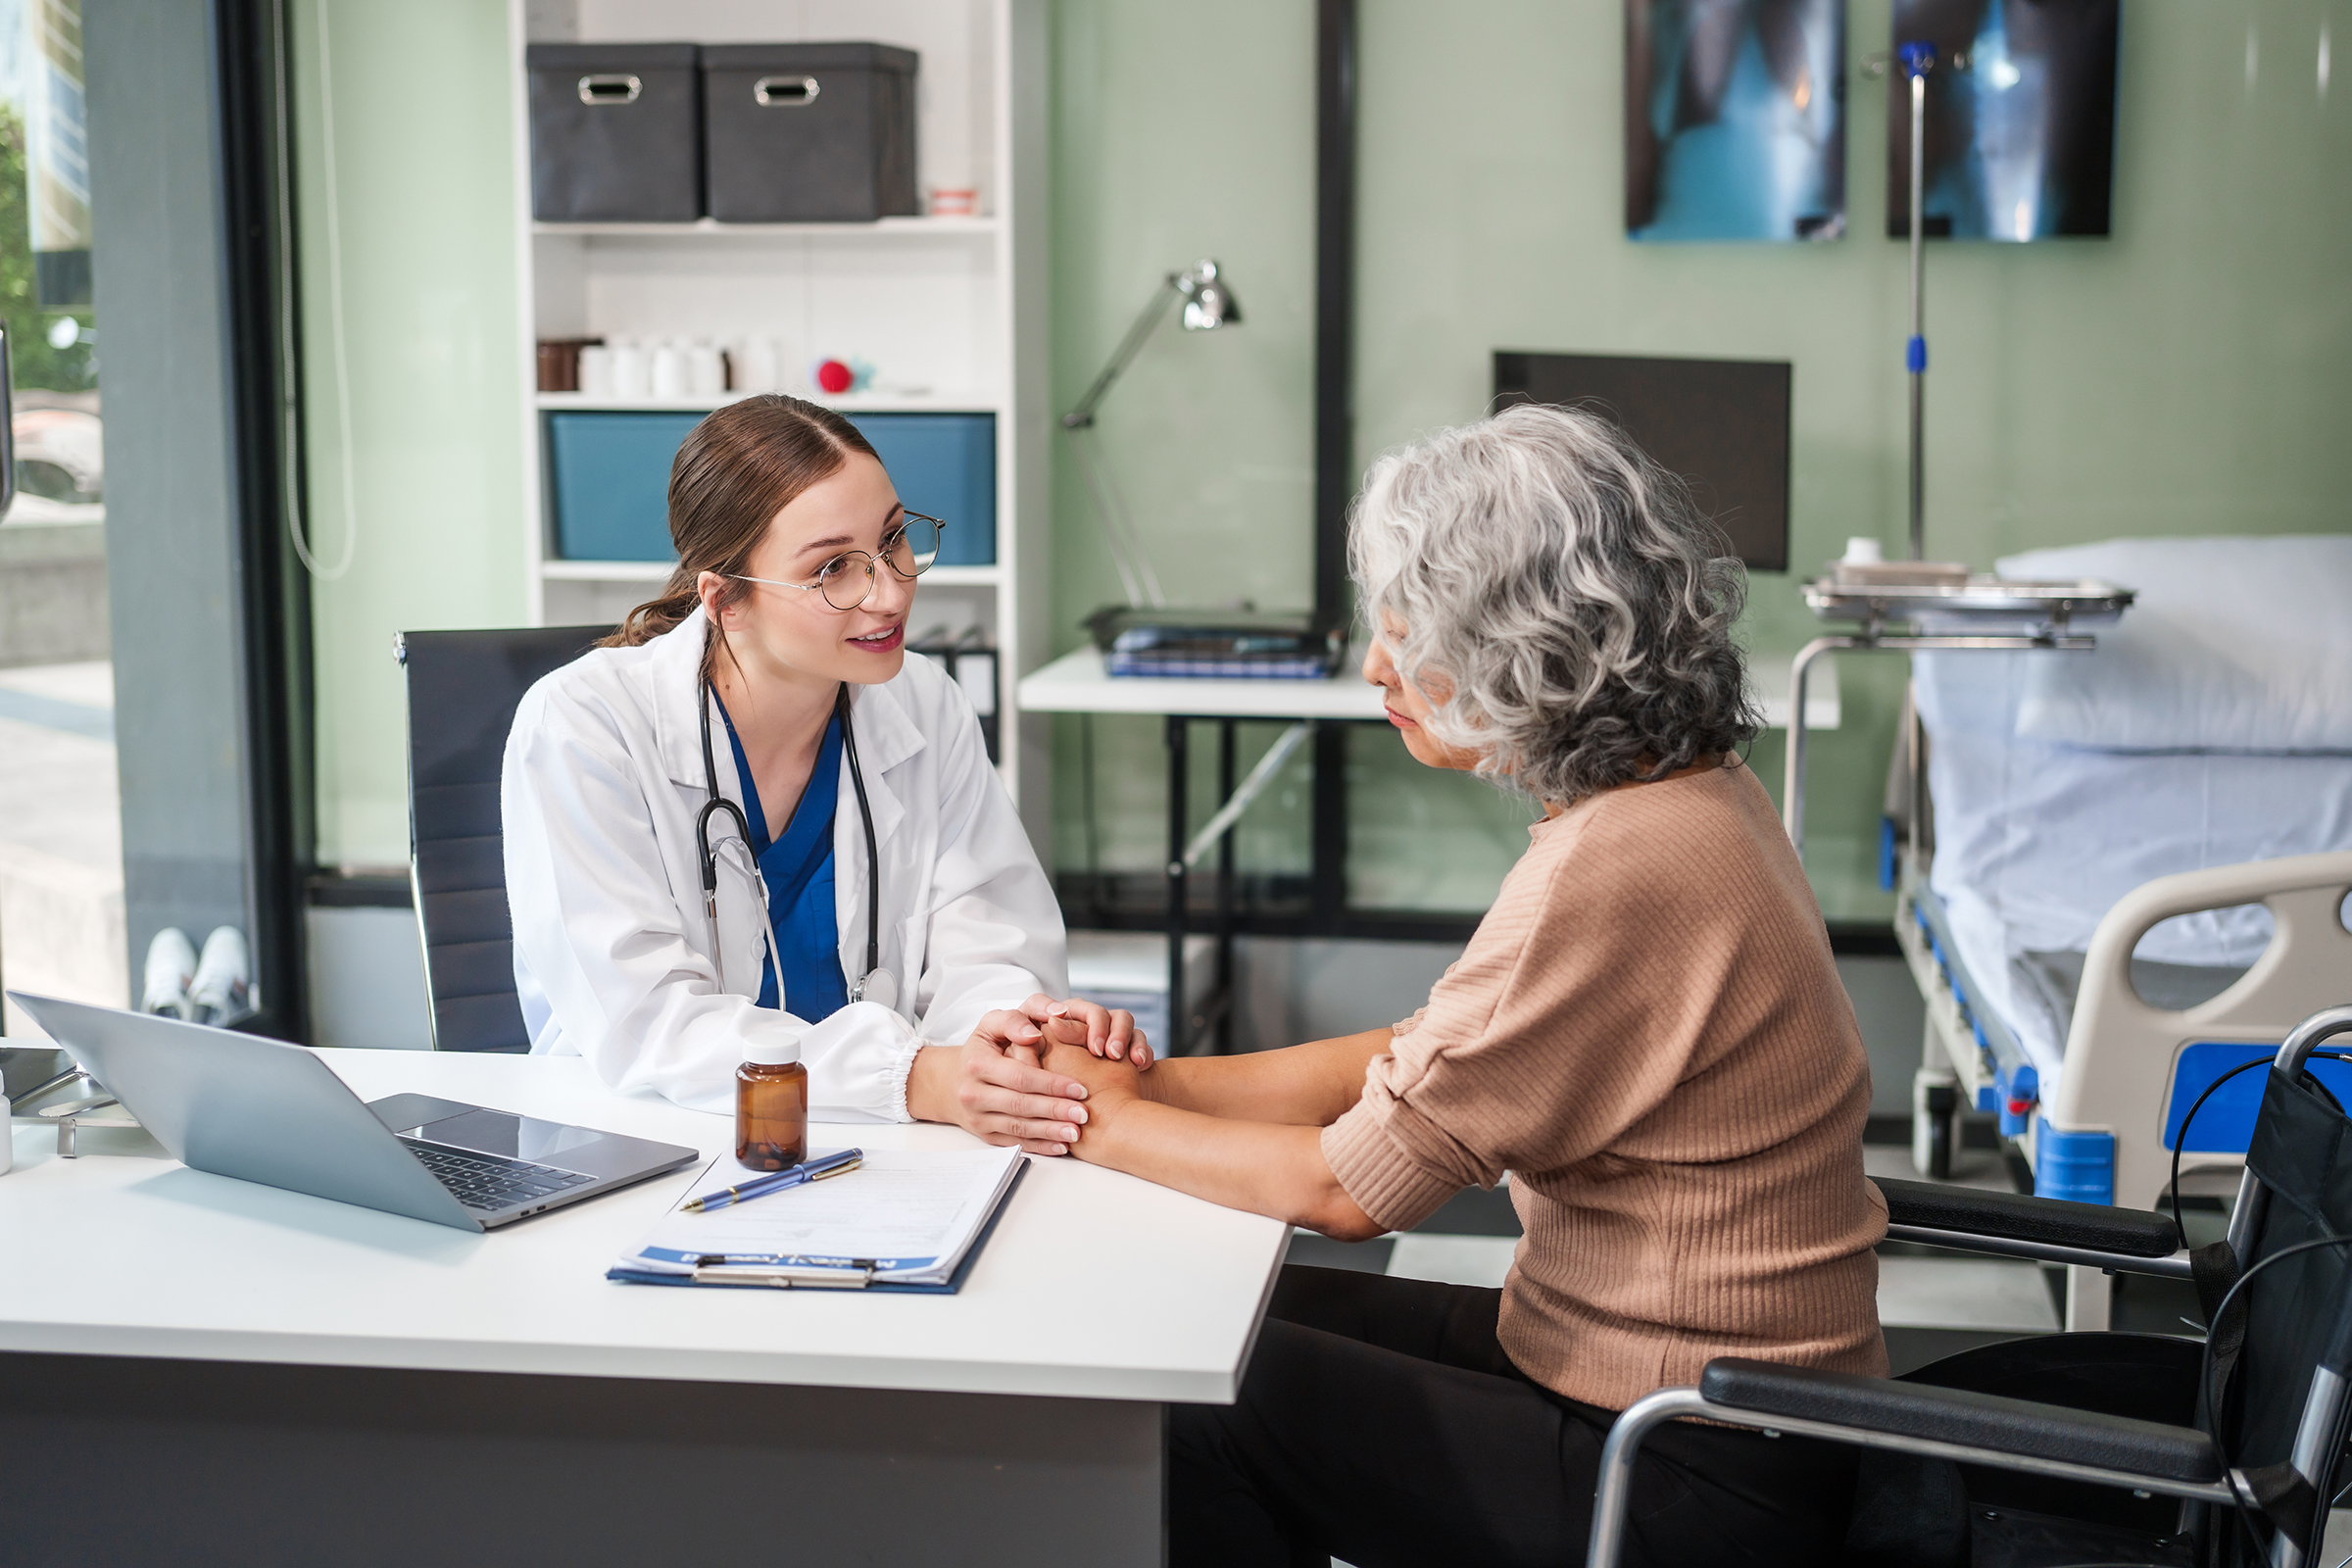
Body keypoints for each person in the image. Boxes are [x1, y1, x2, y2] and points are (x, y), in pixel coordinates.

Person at [1046, 404, 1888, 1566]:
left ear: (1528, 640)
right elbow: (1431, 1048)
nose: (1376, 661)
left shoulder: (1620, 862)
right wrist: (1158, 1084)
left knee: (1184, 1390)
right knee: (1217, 1310)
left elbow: (1344, 1191)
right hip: (1667, 1384)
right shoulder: (1687, 796)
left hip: (1689, 1465)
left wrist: (1082, 1117)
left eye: (1411, 624)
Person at [503, 395, 1141, 1147]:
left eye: (895, 540)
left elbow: (993, 942)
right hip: (654, 1144)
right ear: (725, 601)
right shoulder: (587, 727)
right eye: (834, 568)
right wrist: (911, 1077)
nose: (893, 590)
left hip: (896, 1147)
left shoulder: (925, 706)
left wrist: (1003, 1043)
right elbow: (646, 1025)